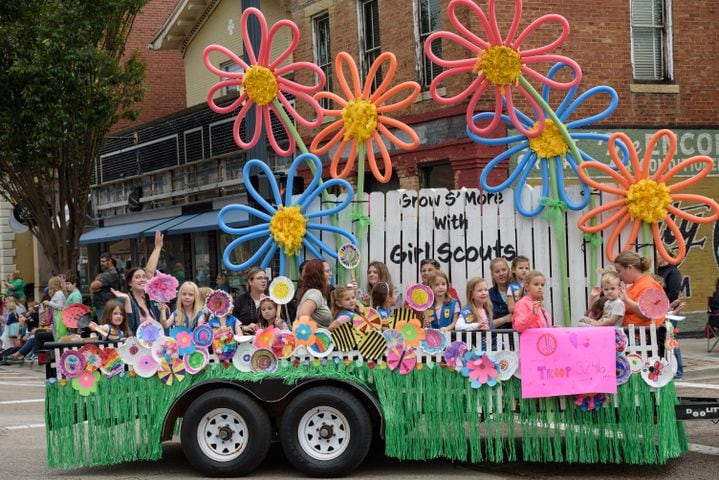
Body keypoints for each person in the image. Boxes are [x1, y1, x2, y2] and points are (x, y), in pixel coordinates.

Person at [125, 231, 166, 332]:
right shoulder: (126, 300)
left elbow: (150, 272)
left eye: (144, 277)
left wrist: (157, 248)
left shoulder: (151, 298)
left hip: (156, 343)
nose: (142, 279)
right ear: (130, 282)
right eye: (137, 277)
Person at [614, 251, 665, 328]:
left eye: (619, 271)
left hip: (646, 337)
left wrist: (627, 300)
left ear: (630, 268)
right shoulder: (634, 286)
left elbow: (648, 313)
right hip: (634, 335)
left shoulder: (648, 285)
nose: (618, 275)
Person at [655, 252, 684, 378]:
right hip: (662, 310)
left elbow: (673, 293)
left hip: (669, 311)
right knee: (666, 341)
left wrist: (665, 306)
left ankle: (678, 371)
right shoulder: (658, 270)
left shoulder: (672, 272)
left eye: (656, 253)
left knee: (670, 340)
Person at [296, 259, 333, 327]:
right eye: (327, 271)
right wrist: (322, 333)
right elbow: (304, 316)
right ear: (318, 275)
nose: (331, 274)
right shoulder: (315, 294)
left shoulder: (316, 293)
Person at [233, 267, 268, 332]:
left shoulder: (271, 299)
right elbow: (230, 323)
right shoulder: (240, 301)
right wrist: (244, 328)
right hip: (245, 339)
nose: (263, 281)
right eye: (259, 278)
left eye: (265, 278)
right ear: (250, 281)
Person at [90, 253, 121, 321]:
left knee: (104, 328)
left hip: (105, 306)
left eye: (103, 261)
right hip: (103, 305)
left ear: (110, 261)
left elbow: (93, 286)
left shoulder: (111, 273)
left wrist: (97, 283)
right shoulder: (106, 273)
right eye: (101, 261)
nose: (101, 263)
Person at [488, 257, 513, 329]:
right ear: (492, 275)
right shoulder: (488, 295)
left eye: (504, 270)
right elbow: (485, 325)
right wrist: (505, 319)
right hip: (497, 337)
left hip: (520, 335)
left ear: (509, 270)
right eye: (497, 271)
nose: (501, 273)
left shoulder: (519, 289)